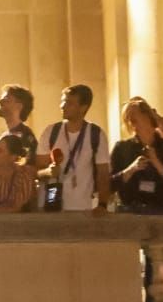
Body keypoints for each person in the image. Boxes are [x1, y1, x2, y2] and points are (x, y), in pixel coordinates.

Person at [36, 84, 111, 213]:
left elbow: (103, 174)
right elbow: (36, 170)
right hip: (51, 207)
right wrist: (48, 172)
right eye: (62, 101)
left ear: (83, 108)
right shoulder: (51, 131)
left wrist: (102, 205)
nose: (62, 106)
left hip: (83, 207)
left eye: (69, 103)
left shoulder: (96, 134)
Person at [109, 98, 163, 214]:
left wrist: (157, 163)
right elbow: (109, 185)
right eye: (127, 119)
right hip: (130, 211)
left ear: (147, 116)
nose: (131, 122)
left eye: (134, 117)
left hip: (162, 210)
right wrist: (131, 170)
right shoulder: (121, 148)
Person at [0, 84, 38, 162]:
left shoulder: (25, 135)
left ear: (19, 106)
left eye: (6, 99)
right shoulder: (6, 135)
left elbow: (27, 165)